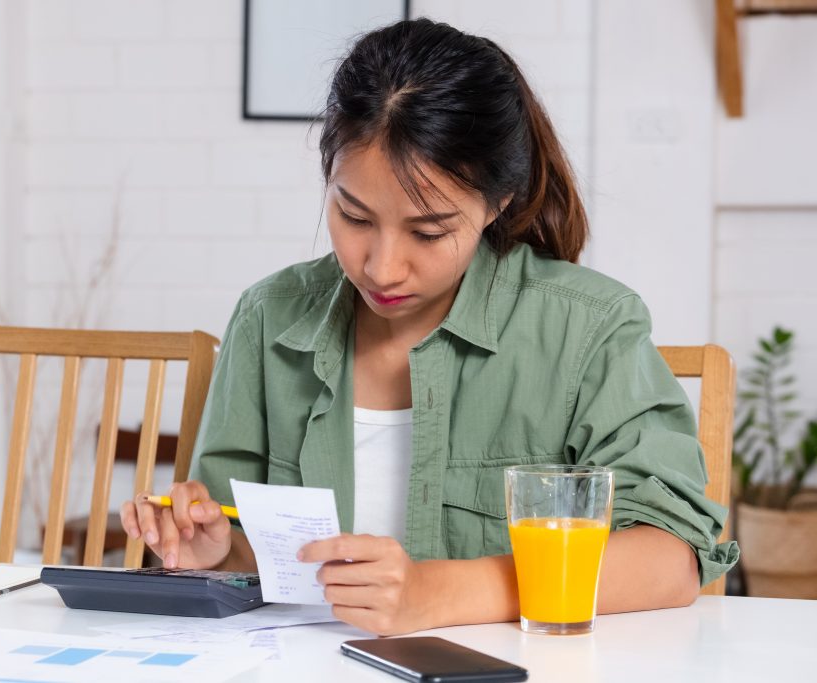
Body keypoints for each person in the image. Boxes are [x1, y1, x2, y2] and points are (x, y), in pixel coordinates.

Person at [120, 18, 738, 636]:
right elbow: (249, 550)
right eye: (353, 216)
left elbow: (671, 558)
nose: (382, 267)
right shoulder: (269, 318)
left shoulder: (588, 327)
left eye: (429, 231)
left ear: (497, 202)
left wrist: (440, 593)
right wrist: (216, 552)